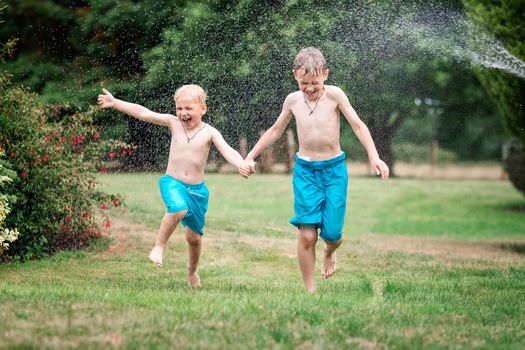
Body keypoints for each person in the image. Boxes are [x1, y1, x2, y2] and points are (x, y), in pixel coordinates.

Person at [241, 47, 389, 293]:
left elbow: (358, 126)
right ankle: (311, 290)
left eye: (315, 83)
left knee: (332, 234)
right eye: (303, 83)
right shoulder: (293, 100)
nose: (309, 88)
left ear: (326, 75)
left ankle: (330, 252)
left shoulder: (336, 96)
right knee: (308, 235)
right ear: (295, 76)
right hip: (306, 172)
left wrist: (374, 156)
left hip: (334, 171)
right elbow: (275, 130)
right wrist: (250, 156)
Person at [98, 85, 251, 288]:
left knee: (194, 238)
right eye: (179, 108)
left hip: (197, 192)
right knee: (178, 208)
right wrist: (116, 103)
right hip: (173, 183)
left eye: (188, 108)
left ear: (203, 109)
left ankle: (192, 272)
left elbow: (228, 151)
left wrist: (241, 164)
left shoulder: (210, 133)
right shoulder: (173, 123)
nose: (183, 113)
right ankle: (159, 246)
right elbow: (144, 113)